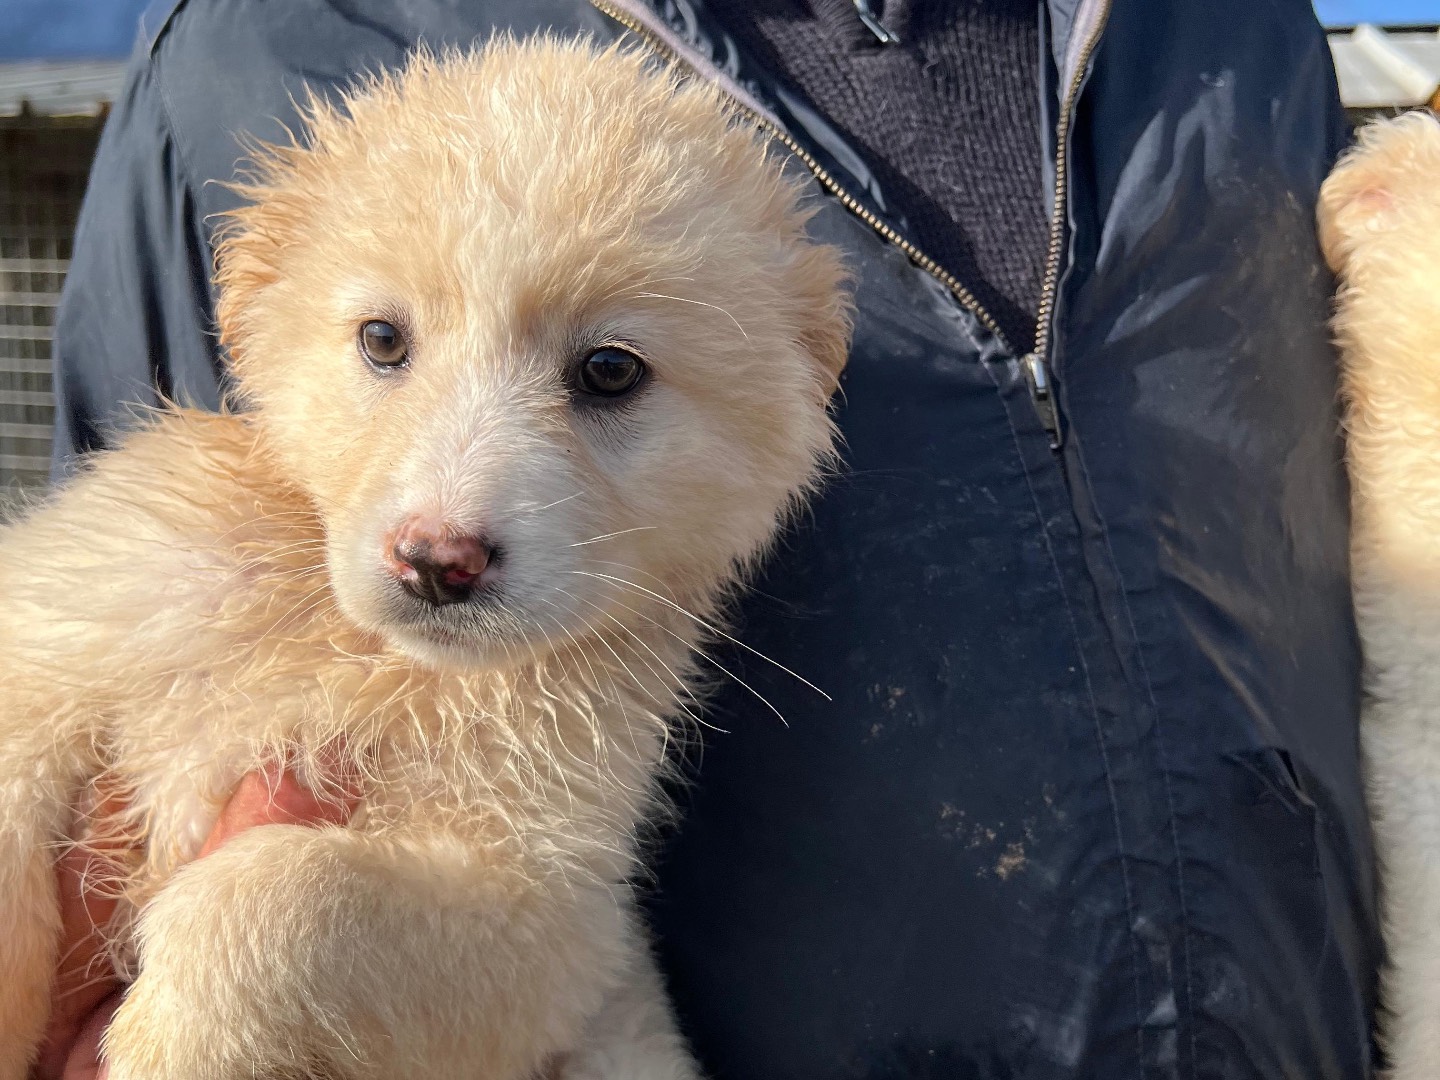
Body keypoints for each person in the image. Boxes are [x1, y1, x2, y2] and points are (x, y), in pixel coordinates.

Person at [47, 1, 1376, 1077]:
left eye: (609, 379)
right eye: (384, 344)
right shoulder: (260, 53)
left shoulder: (1235, 34)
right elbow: (93, 785)